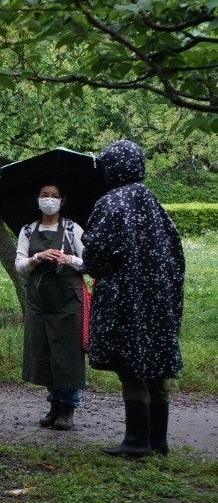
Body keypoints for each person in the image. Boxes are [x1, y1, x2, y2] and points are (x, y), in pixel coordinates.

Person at [83, 140, 185, 457]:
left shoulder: (110, 203)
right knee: (155, 364)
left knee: (131, 366)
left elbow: (96, 255)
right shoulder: (154, 204)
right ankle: (159, 440)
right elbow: (176, 253)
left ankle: (136, 441)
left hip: (123, 299)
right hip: (158, 298)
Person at [14, 182, 86, 431]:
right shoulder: (27, 229)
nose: (49, 200)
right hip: (39, 303)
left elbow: (88, 263)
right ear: (37, 198)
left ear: (62, 201)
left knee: (68, 354)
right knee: (44, 352)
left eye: (54, 196)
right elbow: (19, 265)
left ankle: (68, 407)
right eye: (44, 195)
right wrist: (38, 257)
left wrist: (69, 259)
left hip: (68, 302)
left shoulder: (72, 228)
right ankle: (54, 403)